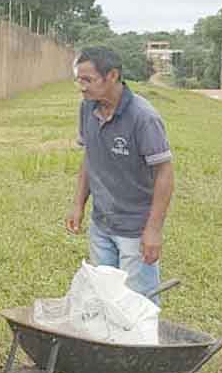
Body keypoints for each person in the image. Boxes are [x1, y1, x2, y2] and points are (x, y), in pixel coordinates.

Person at [66, 47, 175, 302]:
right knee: (105, 299)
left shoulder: (143, 117)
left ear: (112, 76)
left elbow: (164, 174)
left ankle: (141, 344)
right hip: (101, 224)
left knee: (138, 306)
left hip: (135, 230)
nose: (81, 87)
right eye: (78, 79)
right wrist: (78, 205)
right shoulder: (87, 109)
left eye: (88, 80)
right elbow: (89, 158)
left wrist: (153, 230)